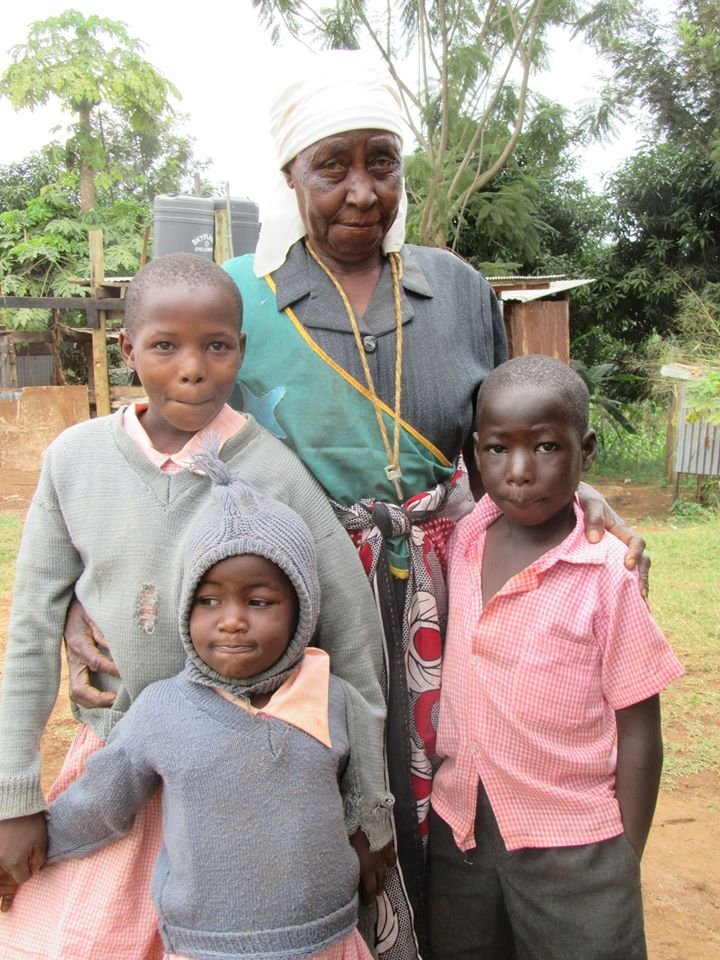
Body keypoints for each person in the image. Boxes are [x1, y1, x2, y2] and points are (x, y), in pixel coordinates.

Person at [64, 51, 648, 960]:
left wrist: (588, 498)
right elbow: (152, 454)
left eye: (382, 161)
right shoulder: (240, 300)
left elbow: (505, 434)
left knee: (443, 799)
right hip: (296, 603)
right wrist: (77, 603)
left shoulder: (454, 288)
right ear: (290, 175)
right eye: (331, 166)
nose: (362, 191)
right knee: (327, 804)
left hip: (445, 595)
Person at [0, 253, 392, 960]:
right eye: (164, 346)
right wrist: (15, 796)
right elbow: (31, 627)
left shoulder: (273, 471)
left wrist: (369, 812)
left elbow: (351, 640)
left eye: (216, 345)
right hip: (115, 765)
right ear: (127, 350)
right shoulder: (75, 461)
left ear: (240, 350)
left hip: (247, 785)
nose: (192, 368)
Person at [39, 461, 378, 960]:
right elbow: (99, 801)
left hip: (327, 938)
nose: (232, 622)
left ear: (303, 608)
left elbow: (364, 789)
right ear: (185, 610)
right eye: (209, 601)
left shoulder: (331, 696)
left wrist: (373, 835)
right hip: (205, 946)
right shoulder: (162, 710)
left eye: (259, 602)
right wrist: (34, 842)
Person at [426, 355, 684, 960]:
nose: (519, 472)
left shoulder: (605, 573)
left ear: (585, 451)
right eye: (497, 450)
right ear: (474, 453)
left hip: (577, 846)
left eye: (545, 447)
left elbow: (639, 726)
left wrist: (624, 859)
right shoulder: (462, 538)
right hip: (460, 829)